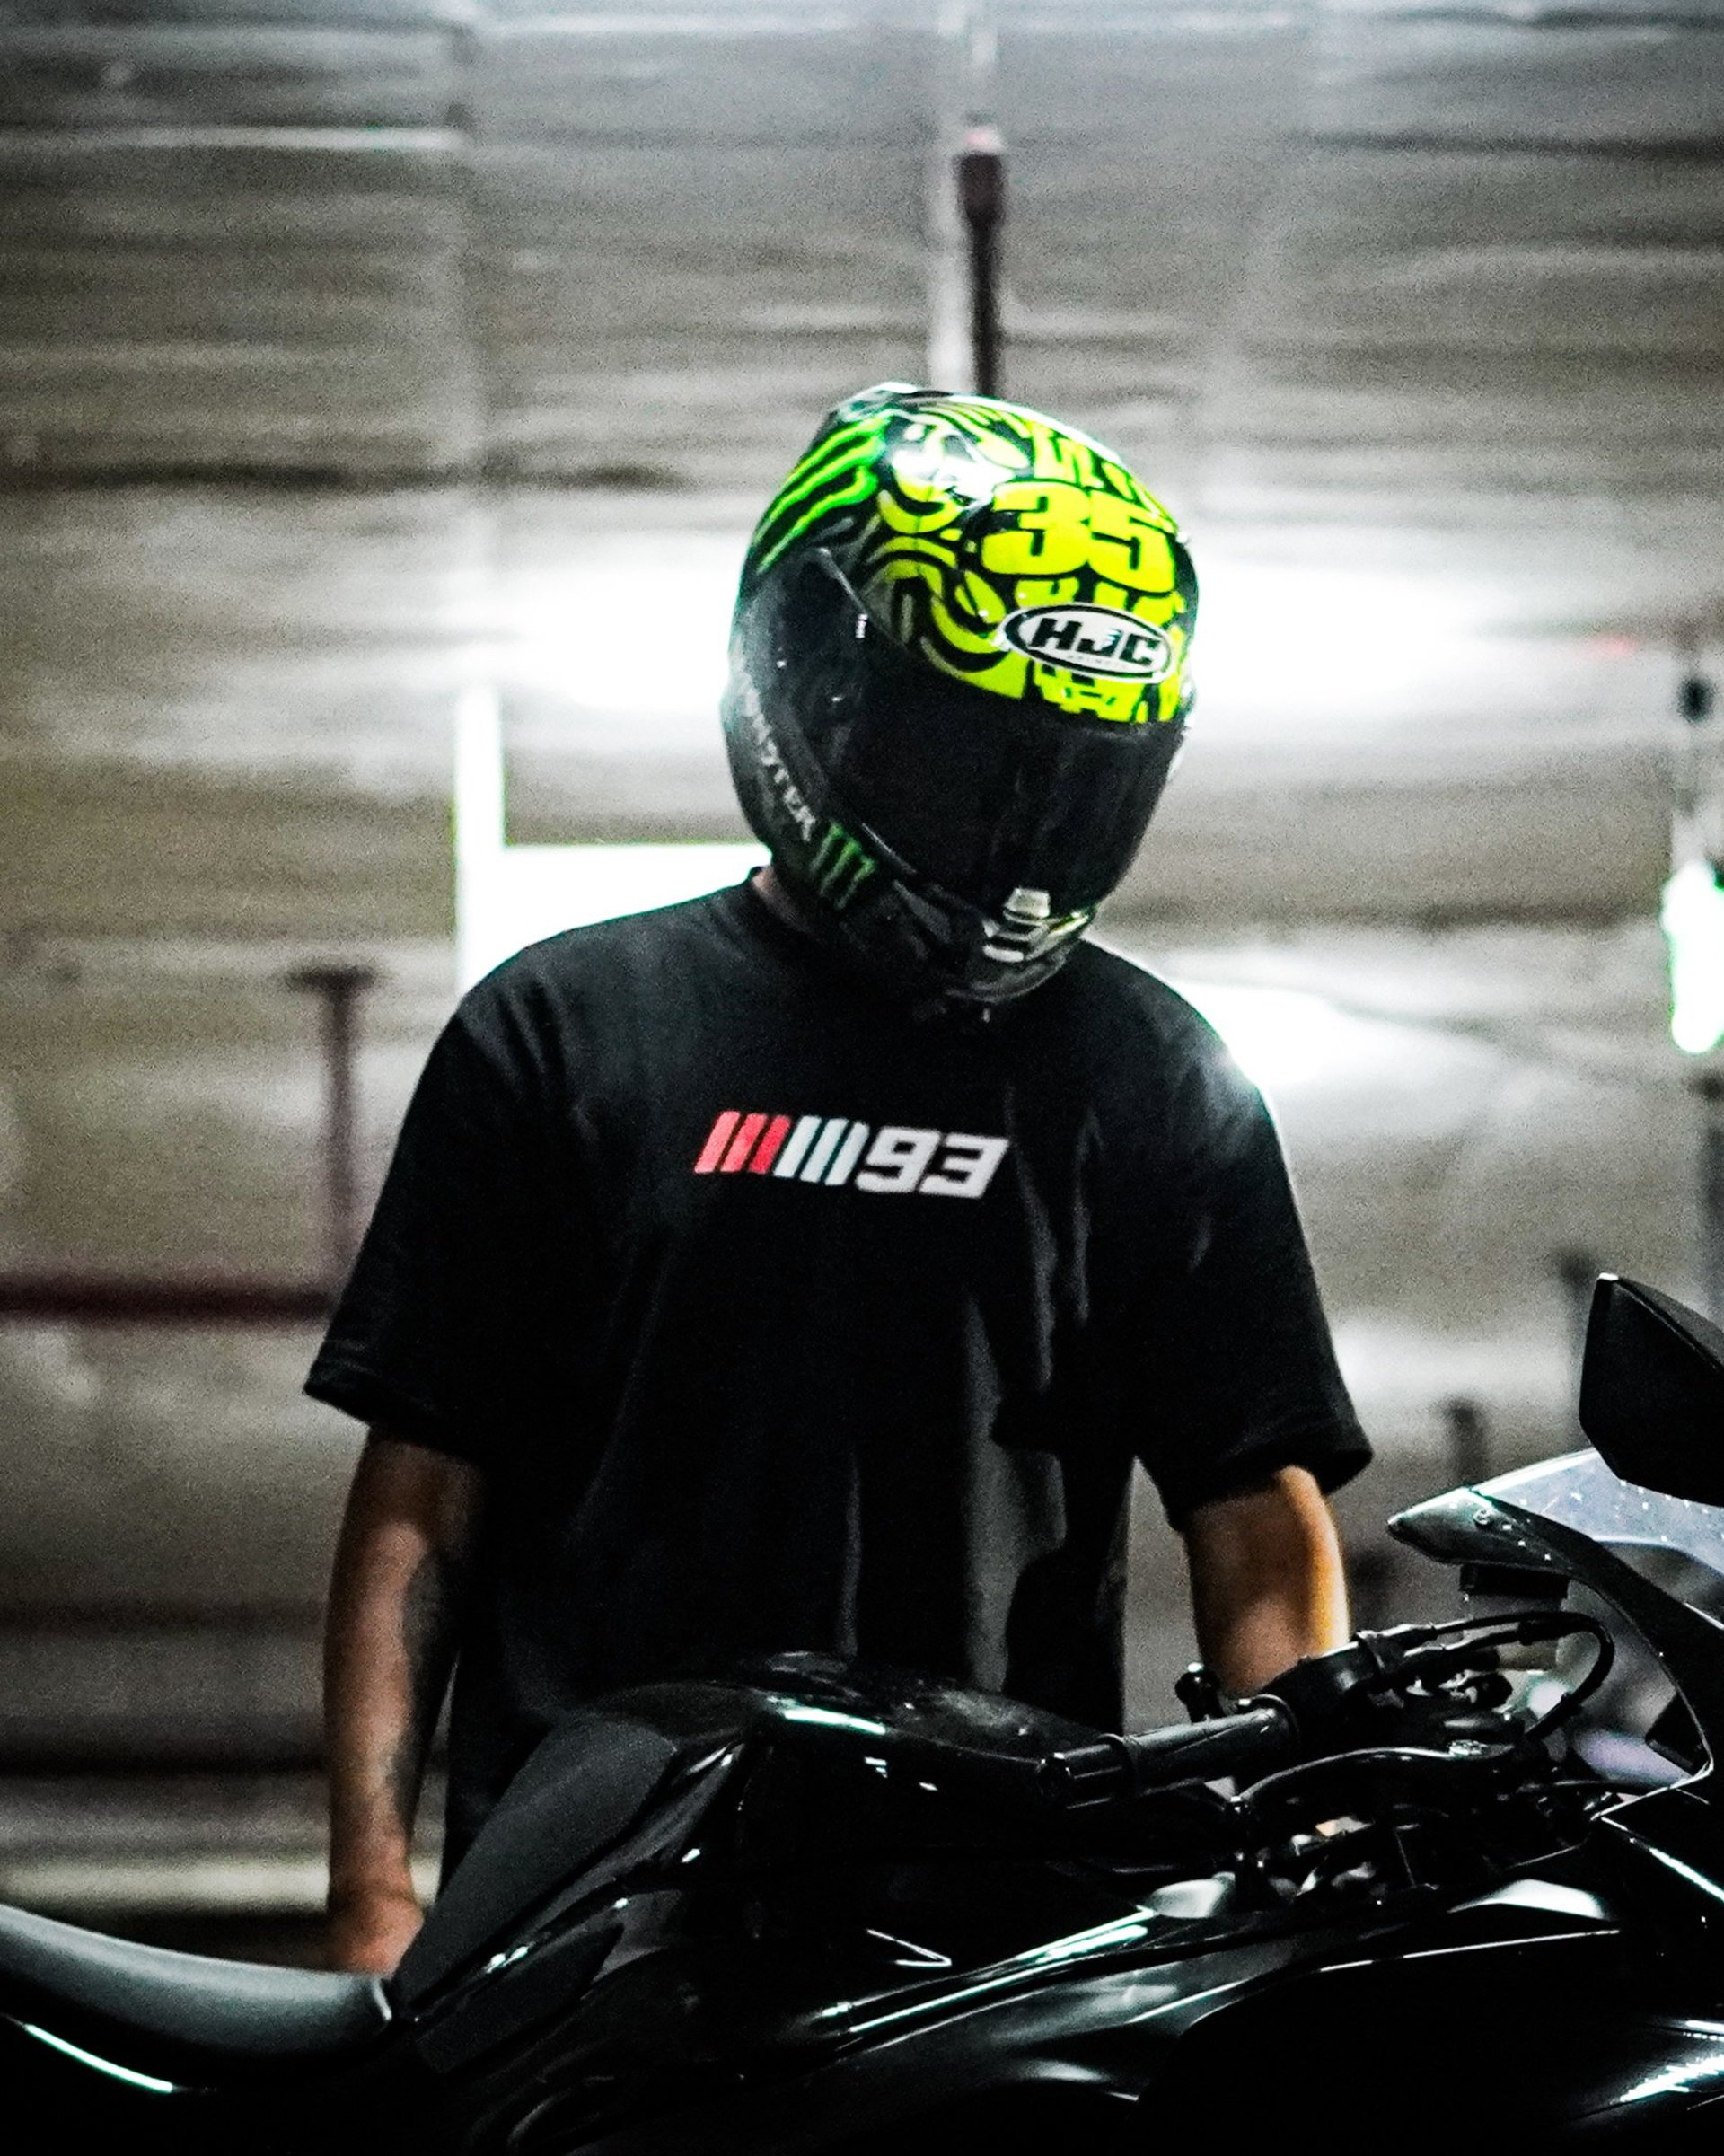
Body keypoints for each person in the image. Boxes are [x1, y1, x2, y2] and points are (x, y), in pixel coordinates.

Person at [309, 384, 1369, 1976]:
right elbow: (421, 1504)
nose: (1022, 840)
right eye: (979, 767)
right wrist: (374, 1897)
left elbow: (1258, 1523)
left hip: (994, 1953)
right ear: (813, 686)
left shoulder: (1154, 1079)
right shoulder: (563, 1030)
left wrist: (1316, 1848)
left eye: (1072, 784)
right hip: (593, 1936)